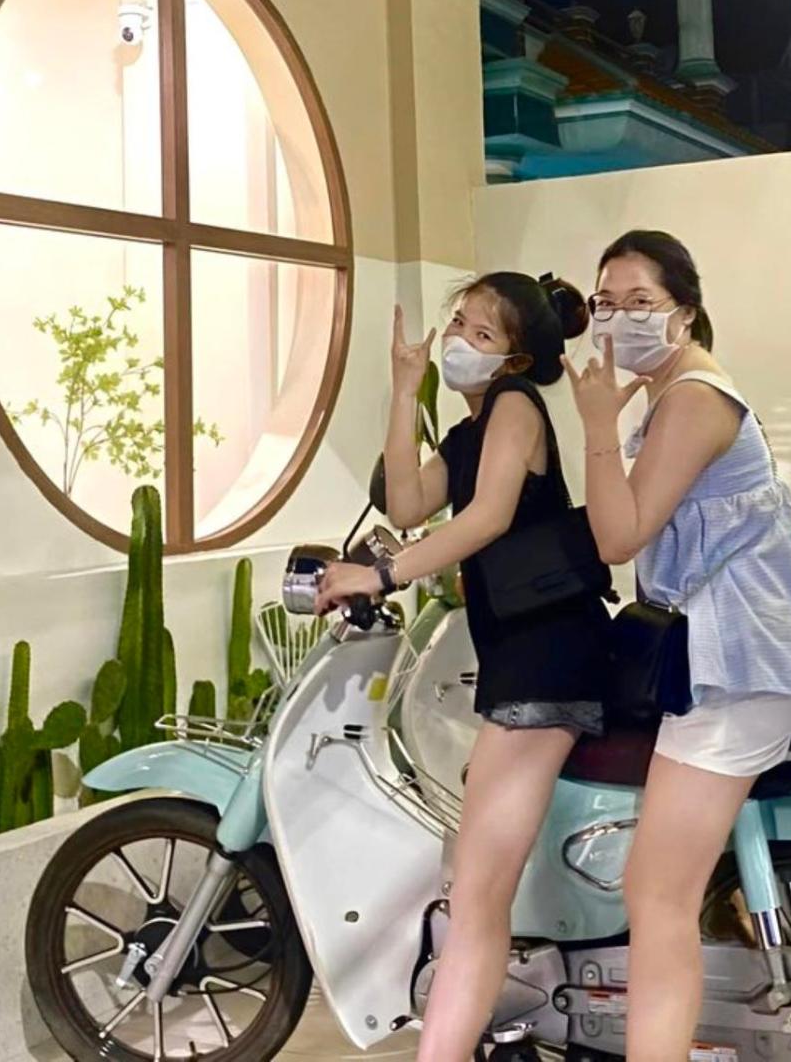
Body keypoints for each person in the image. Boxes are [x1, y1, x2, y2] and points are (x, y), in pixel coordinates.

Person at [316, 271, 612, 1062]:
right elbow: (407, 503)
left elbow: (486, 517)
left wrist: (381, 575)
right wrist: (402, 388)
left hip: (547, 661)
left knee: (479, 899)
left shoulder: (515, 407)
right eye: (460, 322)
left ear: (514, 359)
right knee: (476, 887)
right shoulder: (471, 426)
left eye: (482, 333)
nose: (458, 340)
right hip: (519, 660)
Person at [563, 229, 791, 1062]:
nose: (619, 318)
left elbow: (620, 534)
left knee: (657, 893)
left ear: (684, 311)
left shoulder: (693, 399)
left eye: (640, 302)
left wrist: (596, 424)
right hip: (727, 660)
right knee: (659, 888)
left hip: (742, 665)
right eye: (605, 303)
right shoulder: (674, 392)